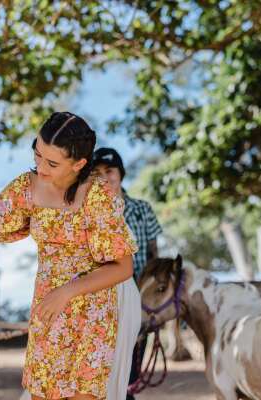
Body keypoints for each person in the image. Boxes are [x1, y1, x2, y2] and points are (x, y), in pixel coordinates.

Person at [0, 111, 137, 400]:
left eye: (51, 163)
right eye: (37, 155)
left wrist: (67, 292)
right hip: (48, 310)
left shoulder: (98, 196)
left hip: (92, 316)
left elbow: (123, 267)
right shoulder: (26, 188)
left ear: (79, 164)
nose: (41, 167)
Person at [92, 147, 163, 400]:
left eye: (109, 171)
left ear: (120, 174)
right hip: (103, 298)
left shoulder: (142, 209)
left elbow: (154, 255)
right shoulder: (90, 211)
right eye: (97, 172)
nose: (104, 177)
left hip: (138, 297)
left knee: (130, 374)